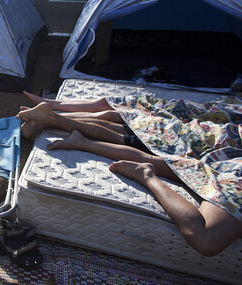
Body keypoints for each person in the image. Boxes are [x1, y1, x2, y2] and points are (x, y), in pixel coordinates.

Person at [16, 91, 242, 257]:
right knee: (136, 131)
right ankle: (55, 117)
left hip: (222, 149)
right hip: (224, 153)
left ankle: (56, 118)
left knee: (139, 134)